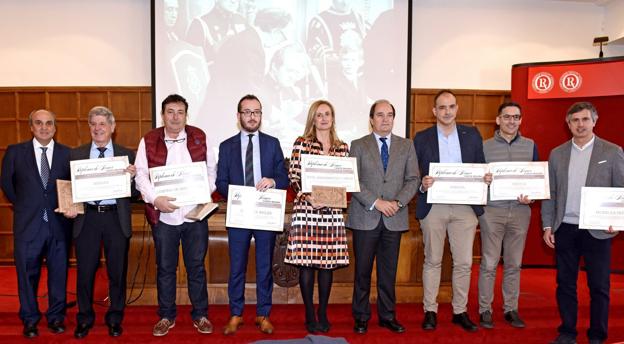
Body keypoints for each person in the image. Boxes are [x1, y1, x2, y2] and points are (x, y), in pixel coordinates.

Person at [134, 94, 217, 337]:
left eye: (180, 112)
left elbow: (212, 169)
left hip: (194, 215)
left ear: (186, 114)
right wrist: (154, 199)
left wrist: (205, 191)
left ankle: (200, 314)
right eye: (170, 112)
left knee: (196, 267)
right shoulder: (149, 139)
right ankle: (166, 316)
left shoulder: (199, 136)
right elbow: (141, 175)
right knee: (166, 268)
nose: (175, 117)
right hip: (164, 218)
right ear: (163, 115)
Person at [542, 102, 624, 344]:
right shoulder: (557, 154)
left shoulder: (612, 151)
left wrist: (617, 220)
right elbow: (551, 192)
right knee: (565, 284)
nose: (580, 124)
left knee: (599, 286)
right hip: (565, 228)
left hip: (597, 229)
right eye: (575, 120)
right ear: (568, 124)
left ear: (594, 121)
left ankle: (597, 335)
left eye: (585, 119)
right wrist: (548, 225)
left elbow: (621, 189)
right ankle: (567, 331)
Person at [413, 89, 489, 332]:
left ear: (457, 109)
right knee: (432, 260)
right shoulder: (421, 137)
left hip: (465, 207)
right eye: (442, 107)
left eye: (451, 106)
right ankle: (430, 310)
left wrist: (485, 177)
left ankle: (460, 311)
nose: (447, 111)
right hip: (434, 206)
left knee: (464, 262)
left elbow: (480, 166)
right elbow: (413, 174)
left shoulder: (472, 135)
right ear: (434, 111)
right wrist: (421, 184)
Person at [216, 94, 288, 335]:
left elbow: (284, 177)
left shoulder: (272, 143)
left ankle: (263, 314)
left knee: (264, 266)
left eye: (256, 112)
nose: (252, 116)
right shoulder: (227, 146)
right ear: (238, 116)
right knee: (236, 266)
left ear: (261, 116)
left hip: (265, 214)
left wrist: (273, 180)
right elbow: (221, 182)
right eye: (247, 112)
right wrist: (239, 196)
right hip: (239, 214)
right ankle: (236, 314)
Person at [347, 99, 420, 334]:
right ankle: (361, 316)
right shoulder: (358, 145)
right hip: (365, 217)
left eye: (389, 114)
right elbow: (353, 180)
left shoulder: (406, 145)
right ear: (371, 120)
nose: (385, 119)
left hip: (394, 217)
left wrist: (397, 203)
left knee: (389, 272)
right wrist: (376, 202)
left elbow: (413, 180)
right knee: (363, 272)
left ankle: (387, 316)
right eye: (380, 115)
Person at [67, 106, 137, 339]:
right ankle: (85, 317)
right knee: (85, 271)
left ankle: (115, 317)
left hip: (115, 218)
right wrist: (69, 207)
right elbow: (67, 188)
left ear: (112, 128)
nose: (98, 128)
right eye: (94, 124)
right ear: (89, 127)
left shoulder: (127, 156)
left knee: (117, 271)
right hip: (87, 219)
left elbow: (136, 194)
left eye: (102, 124)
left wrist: (133, 178)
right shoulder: (76, 155)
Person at [1, 109, 72, 338]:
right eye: (39, 123)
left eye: (49, 123)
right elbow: (7, 185)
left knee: (59, 275)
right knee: (26, 275)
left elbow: (72, 187)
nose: (44, 127)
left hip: (59, 225)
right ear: (31, 127)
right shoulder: (15, 152)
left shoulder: (67, 154)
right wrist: (25, 206)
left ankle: (55, 317)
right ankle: (30, 319)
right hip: (28, 225)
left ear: (55, 127)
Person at [285, 100, 351, 334]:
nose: (323, 118)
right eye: (319, 115)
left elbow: (346, 180)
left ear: (333, 118)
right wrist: (308, 196)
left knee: (327, 265)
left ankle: (322, 311)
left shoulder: (342, 147)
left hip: (332, 212)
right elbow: (293, 175)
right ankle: (309, 314)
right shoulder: (301, 143)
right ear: (312, 119)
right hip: (307, 210)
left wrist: (334, 196)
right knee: (307, 264)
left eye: (327, 114)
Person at [477, 102, 538, 329]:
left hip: (521, 211)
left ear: (521, 120)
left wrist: (532, 196)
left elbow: (536, 178)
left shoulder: (531, 146)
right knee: (489, 263)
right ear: (498, 120)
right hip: (492, 211)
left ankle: (511, 308)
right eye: (507, 117)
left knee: (514, 263)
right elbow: (477, 178)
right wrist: (484, 180)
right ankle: (485, 309)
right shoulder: (484, 147)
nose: (512, 121)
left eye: (516, 117)